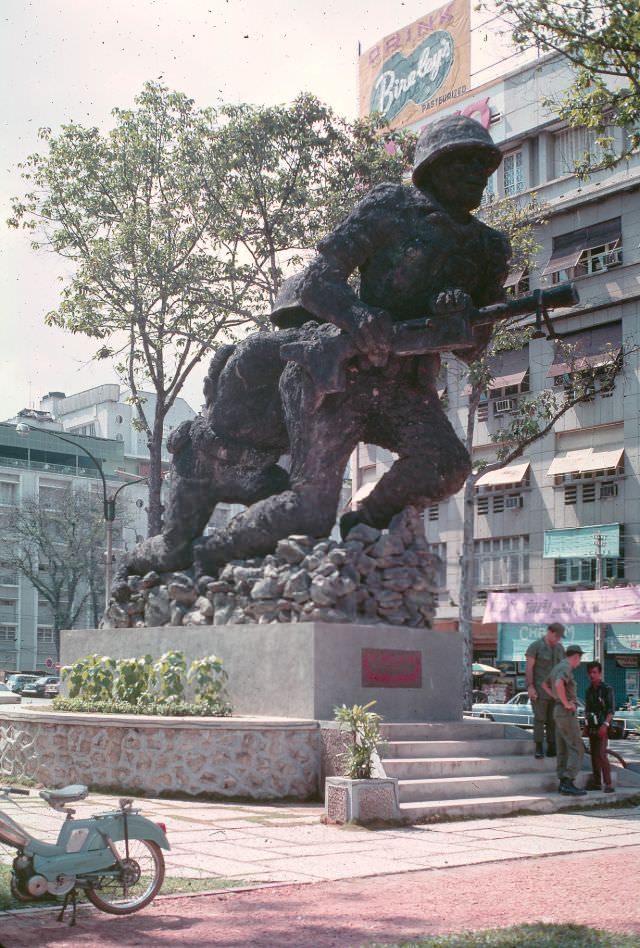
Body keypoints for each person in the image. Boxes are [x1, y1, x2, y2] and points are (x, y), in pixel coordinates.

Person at [191, 114, 510, 576]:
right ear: (434, 165)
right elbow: (318, 281)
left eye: (484, 167)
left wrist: (460, 317)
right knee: (308, 510)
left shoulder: (489, 248)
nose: (476, 175)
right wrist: (359, 318)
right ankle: (210, 552)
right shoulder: (392, 206)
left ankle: (363, 522)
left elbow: (473, 349)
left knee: (445, 464)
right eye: (464, 163)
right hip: (341, 375)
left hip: (407, 389)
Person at [544, 644, 587, 796]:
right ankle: (568, 781)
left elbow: (544, 684)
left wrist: (557, 698)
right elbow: (558, 683)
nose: (580, 663)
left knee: (562, 748)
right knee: (577, 747)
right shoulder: (566, 668)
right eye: (580, 659)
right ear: (575, 657)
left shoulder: (557, 667)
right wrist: (566, 702)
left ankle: (563, 783)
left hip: (557, 711)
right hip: (566, 712)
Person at [525, 623, 566, 759]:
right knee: (540, 719)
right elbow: (529, 668)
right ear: (549, 632)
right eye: (556, 636)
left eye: (560, 637)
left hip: (555, 692)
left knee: (553, 720)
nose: (558, 639)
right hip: (539, 691)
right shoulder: (536, 646)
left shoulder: (560, 649)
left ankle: (552, 746)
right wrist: (530, 686)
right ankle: (538, 747)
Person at [584, 660, 615, 793]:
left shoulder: (607, 689)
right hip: (592, 726)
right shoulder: (589, 690)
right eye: (590, 673)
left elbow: (611, 710)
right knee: (593, 755)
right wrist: (585, 726)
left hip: (603, 726)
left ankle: (608, 784)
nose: (592, 675)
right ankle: (597, 783)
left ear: (600, 673)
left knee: (601, 755)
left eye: (594, 672)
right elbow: (587, 709)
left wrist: (605, 725)